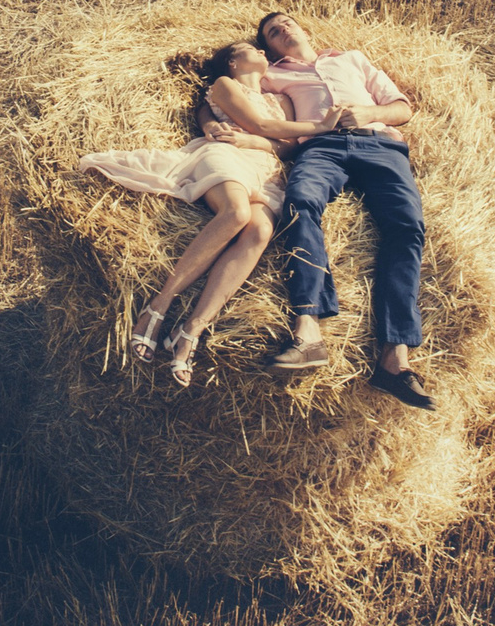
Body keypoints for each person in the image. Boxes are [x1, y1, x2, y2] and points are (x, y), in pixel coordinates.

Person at [77, 42, 337, 386]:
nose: (261, 51)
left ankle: (191, 329)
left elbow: (287, 147)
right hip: (225, 154)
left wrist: (259, 142)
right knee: (236, 212)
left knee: (259, 232)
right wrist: (318, 128)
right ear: (232, 61)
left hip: (267, 169)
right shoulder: (225, 86)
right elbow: (259, 123)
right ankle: (159, 305)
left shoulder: (284, 101)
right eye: (251, 48)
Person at [253, 10, 435, 410]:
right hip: (322, 148)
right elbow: (231, 94)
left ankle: (394, 359)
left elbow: (401, 108)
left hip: (380, 145)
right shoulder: (273, 75)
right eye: (271, 32)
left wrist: (368, 113)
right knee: (299, 204)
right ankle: (308, 331)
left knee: (407, 227)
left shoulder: (351, 59)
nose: (282, 29)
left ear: (302, 28)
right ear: (268, 46)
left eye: (286, 22)